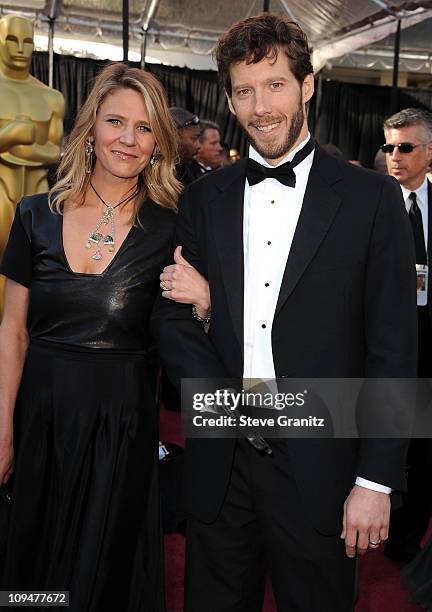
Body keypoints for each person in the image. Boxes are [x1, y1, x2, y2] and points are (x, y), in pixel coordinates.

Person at [153, 13, 417, 612]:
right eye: (244, 91)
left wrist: (376, 480)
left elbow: (394, 348)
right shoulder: (204, 198)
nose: (261, 106)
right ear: (228, 98)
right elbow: (170, 320)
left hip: (321, 464)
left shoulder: (372, 201)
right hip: (223, 465)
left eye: (275, 85)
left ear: (307, 86)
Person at [0, 62, 181, 611]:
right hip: (41, 419)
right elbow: (12, 330)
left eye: (145, 127)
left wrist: (206, 297)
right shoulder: (33, 216)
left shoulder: (175, 228)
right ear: (90, 129)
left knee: (102, 568)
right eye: (116, 122)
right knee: (34, 563)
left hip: (121, 428)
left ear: (159, 143)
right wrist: (3, 428)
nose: (128, 139)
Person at [381, 108, 432, 565]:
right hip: (381, 348)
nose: (394, 156)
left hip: (429, 345)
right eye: (389, 147)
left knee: (423, 448)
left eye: (406, 147)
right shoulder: (369, 203)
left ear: (430, 152)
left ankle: (404, 538)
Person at [0, 14, 64, 315]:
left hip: (37, 190)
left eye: (27, 41)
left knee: (34, 266)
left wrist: (11, 147)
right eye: (12, 39)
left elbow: (54, 152)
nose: (20, 48)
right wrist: (12, 134)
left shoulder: (50, 97)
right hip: (3, 186)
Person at [169, 107, 201, 186]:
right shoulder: (150, 176)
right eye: (194, 139)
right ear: (174, 137)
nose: (199, 145)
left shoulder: (192, 170)